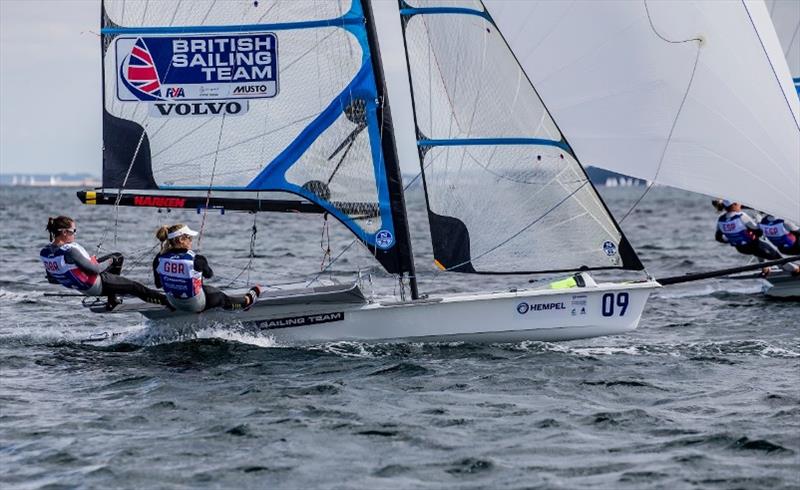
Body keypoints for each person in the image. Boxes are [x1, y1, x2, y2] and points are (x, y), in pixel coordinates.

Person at [40, 216, 167, 309]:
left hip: (82, 287)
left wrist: (74, 276)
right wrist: (109, 262)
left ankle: (112, 298)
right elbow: (95, 270)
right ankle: (167, 302)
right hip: (95, 285)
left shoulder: (46, 252)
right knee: (136, 287)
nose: (75, 235)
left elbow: (53, 279)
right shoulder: (70, 251)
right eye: (74, 231)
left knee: (118, 256)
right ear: (64, 232)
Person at [152, 223, 261, 313]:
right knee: (221, 297)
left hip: (173, 302)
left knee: (195, 286)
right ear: (181, 240)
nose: (191, 241)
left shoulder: (159, 258)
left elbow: (158, 284)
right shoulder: (196, 259)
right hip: (196, 305)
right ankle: (247, 302)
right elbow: (209, 275)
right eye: (189, 238)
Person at [714, 201, 799, 275]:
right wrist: (758, 221)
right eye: (739, 203)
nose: (741, 205)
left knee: (758, 246)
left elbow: (719, 238)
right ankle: (795, 270)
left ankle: (765, 268)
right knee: (777, 259)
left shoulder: (721, 219)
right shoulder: (741, 215)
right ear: (735, 204)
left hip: (741, 248)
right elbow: (758, 230)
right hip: (755, 246)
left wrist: (732, 240)